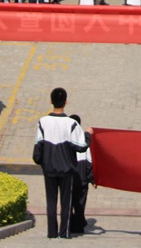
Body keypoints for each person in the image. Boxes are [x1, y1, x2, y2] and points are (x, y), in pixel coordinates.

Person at [34, 87, 90, 240]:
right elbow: (81, 147)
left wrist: (41, 162)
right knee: (66, 202)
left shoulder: (42, 122)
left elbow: (38, 148)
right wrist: (87, 135)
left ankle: (52, 232)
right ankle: (64, 233)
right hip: (66, 169)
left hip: (49, 168)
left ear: (51, 101)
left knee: (51, 201)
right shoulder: (71, 123)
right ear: (66, 102)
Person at [68, 114, 93, 235]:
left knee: (68, 201)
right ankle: (78, 225)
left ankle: (68, 224)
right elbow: (89, 161)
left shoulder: (65, 139)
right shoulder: (84, 139)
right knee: (80, 203)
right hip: (82, 176)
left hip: (69, 177)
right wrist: (92, 178)